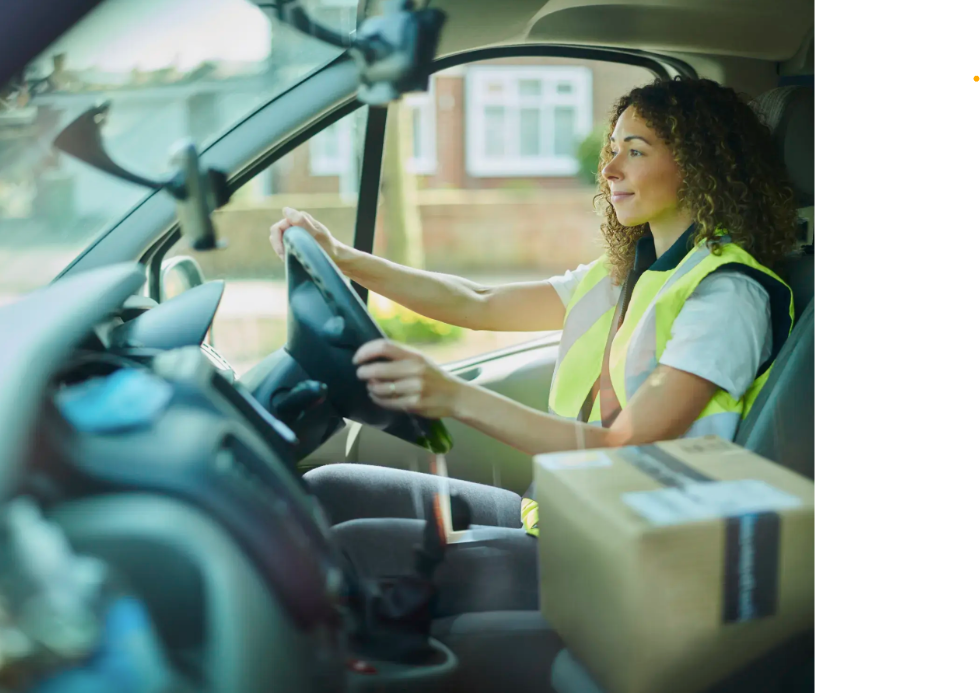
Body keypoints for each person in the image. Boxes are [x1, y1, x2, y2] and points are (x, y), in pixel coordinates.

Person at [268, 76, 799, 617]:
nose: (610, 169)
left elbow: (624, 449)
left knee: (352, 554)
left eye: (634, 152)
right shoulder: (622, 275)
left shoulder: (727, 294)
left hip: (630, 553)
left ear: (701, 165)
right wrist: (342, 257)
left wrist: (450, 395)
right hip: (567, 515)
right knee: (327, 488)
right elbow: (478, 301)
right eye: (612, 149)